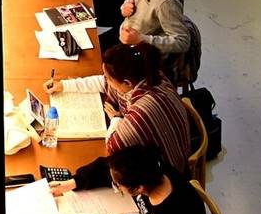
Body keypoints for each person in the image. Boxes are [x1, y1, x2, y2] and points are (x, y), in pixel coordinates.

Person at [43, 43, 190, 172]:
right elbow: (103, 82)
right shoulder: (150, 75)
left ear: (127, 83)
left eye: (109, 78)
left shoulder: (141, 113)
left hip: (166, 173)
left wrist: (116, 119)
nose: (106, 80)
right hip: (173, 148)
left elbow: (113, 147)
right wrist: (64, 85)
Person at [54, 144, 210, 214]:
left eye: (118, 186)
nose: (115, 186)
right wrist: (73, 182)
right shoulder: (152, 168)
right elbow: (108, 168)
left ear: (138, 188)